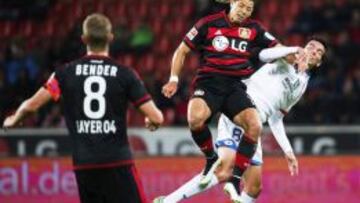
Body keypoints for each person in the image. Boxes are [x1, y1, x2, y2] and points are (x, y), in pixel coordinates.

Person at [3, 13, 164, 203]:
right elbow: (157, 117)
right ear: (111, 38)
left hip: (85, 166)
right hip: (117, 162)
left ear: (84, 39)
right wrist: (151, 121)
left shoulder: (64, 73)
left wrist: (14, 119)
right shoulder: (125, 74)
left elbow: (32, 105)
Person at [154, 38, 327, 203]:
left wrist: (288, 151)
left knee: (253, 187)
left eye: (319, 52)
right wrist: (292, 49)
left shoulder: (302, 84)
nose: (314, 51)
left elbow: (276, 118)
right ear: (304, 47)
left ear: (319, 62)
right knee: (224, 170)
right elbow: (263, 55)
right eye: (311, 46)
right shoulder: (287, 58)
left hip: (254, 127)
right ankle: (168, 200)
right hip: (240, 111)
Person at [161, 0, 279, 193]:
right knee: (195, 119)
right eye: (241, 6)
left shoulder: (254, 28)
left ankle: (234, 179)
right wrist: (173, 79)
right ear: (231, 3)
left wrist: (294, 53)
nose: (245, 12)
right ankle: (211, 158)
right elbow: (181, 50)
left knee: (255, 126)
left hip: (234, 87)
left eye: (249, 9)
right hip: (209, 84)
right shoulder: (208, 23)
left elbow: (277, 47)